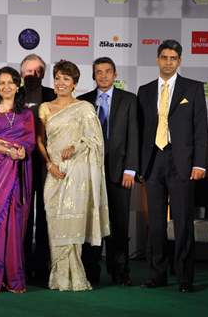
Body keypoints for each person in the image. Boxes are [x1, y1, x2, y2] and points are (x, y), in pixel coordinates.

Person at [138, 40, 208, 293]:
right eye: (164, 57)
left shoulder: (194, 88)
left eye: (173, 58)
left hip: (182, 163)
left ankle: (184, 277)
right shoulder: (144, 90)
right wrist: (137, 166)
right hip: (153, 161)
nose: (168, 62)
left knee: (182, 221)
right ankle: (157, 274)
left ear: (179, 61)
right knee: (155, 223)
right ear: (157, 59)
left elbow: (200, 129)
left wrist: (199, 163)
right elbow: (140, 131)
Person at [36, 60, 110, 291]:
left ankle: (75, 276)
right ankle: (58, 276)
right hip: (54, 172)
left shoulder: (85, 108)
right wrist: (49, 164)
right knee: (54, 223)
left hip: (77, 174)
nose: (60, 83)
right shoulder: (45, 107)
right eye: (57, 78)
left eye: (66, 79)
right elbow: (40, 141)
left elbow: (95, 140)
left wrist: (76, 147)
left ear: (75, 83)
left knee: (72, 224)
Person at [78, 57, 138, 286]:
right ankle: (91, 271)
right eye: (98, 72)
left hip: (120, 172)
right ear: (93, 75)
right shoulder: (82, 102)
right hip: (89, 173)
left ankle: (120, 270)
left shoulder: (129, 100)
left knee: (119, 224)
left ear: (115, 74)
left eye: (107, 71)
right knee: (91, 224)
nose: (103, 75)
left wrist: (131, 169)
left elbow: (134, 135)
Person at [0, 66, 35, 293]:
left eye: (10, 82)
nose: (6, 87)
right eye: (1, 83)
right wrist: (7, 151)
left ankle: (14, 279)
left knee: (15, 224)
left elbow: (30, 141)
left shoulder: (27, 113)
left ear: (18, 84)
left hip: (18, 174)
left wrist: (22, 152)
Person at [19, 54, 56, 283]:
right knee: (22, 215)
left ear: (43, 73)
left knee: (45, 216)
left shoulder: (53, 95)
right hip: (20, 165)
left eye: (37, 71)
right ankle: (20, 265)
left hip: (45, 164)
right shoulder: (13, 94)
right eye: (28, 71)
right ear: (21, 73)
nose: (32, 75)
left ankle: (42, 268)